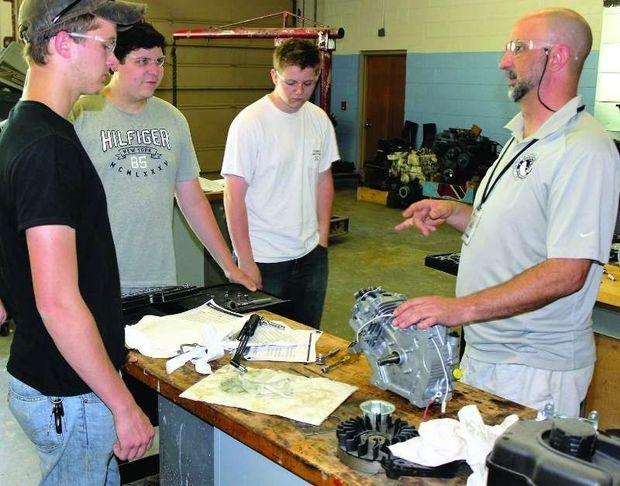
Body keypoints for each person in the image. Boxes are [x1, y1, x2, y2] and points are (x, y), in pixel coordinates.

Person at [392, 8, 620, 417]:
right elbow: (520, 225)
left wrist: (458, 309)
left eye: (518, 48)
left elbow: (568, 271)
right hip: (490, 350)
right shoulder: (523, 135)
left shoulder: (583, 149)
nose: (503, 61)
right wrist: (455, 212)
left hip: (532, 368)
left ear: (560, 56)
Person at [0, 1, 154, 484]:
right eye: (107, 46)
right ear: (64, 43)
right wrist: (123, 403)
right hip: (69, 391)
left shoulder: (16, 132)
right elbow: (59, 304)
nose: (114, 60)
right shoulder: (49, 149)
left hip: (44, 375)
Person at [71, 22, 256, 294]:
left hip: (158, 281)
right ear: (114, 62)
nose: (154, 71)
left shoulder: (172, 119)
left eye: (159, 61)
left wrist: (229, 266)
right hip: (95, 281)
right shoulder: (81, 115)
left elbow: (192, 201)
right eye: (142, 61)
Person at [221, 39, 339, 329]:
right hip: (264, 258)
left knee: (308, 336)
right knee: (261, 343)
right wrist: (245, 260)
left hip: (311, 255)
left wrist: (321, 240)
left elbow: (324, 179)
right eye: (291, 83)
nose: (299, 92)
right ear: (274, 76)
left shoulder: (319, 120)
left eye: (308, 84)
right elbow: (233, 196)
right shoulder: (250, 122)